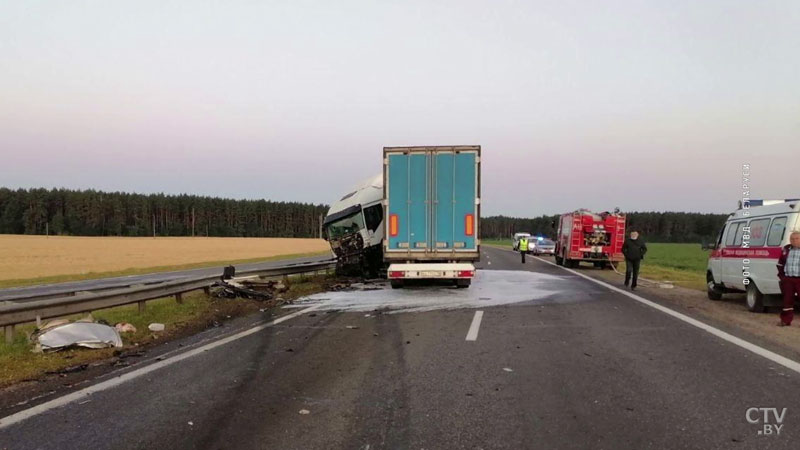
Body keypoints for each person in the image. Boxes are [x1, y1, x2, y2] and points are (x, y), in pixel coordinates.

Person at [776, 231, 800, 326]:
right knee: (787, 300)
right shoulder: (786, 249)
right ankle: (786, 320)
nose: (794, 241)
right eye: (792, 239)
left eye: (797, 239)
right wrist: (782, 277)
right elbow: (780, 264)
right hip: (788, 279)